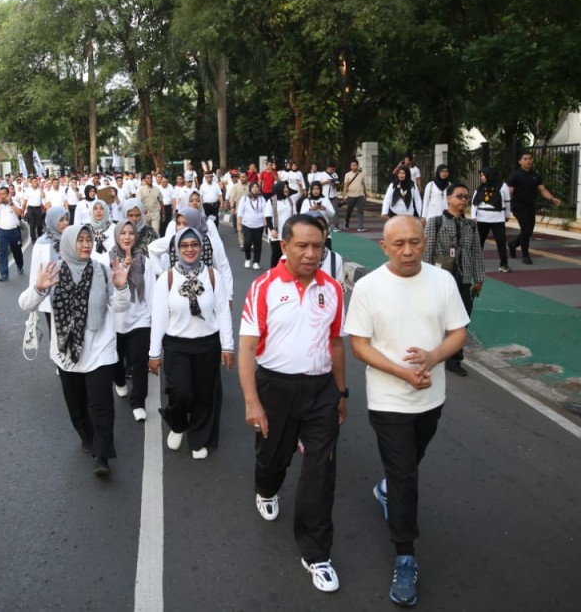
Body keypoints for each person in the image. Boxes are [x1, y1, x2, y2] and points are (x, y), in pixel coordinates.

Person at [344, 216, 469, 607]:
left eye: (415, 242)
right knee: (405, 476)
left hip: (431, 398)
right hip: (387, 400)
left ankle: (386, 490)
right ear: (384, 247)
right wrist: (401, 373)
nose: (408, 251)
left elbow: (458, 332)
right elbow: (359, 345)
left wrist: (431, 358)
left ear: (424, 242)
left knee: (411, 463)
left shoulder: (442, 281)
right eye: (399, 244)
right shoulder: (368, 287)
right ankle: (405, 555)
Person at [238, 213, 347, 593]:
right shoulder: (264, 287)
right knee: (272, 458)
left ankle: (316, 553)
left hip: (320, 391)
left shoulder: (332, 288)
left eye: (317, 246)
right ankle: (266, 488)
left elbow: (335, 343)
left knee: (321, 469)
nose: (310, 253)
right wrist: (252, 401)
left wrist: (341, 391)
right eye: (302, 245)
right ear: (284, 247)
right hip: (275, 388)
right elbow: (248, 348)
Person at [26, 225, 130, 476]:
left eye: (89, 239)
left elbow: (119, 307)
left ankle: (103, 454)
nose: (86, 244)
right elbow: (25, 304)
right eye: (80, 240)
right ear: (69, 243)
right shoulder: (54, 271)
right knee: (77, 406)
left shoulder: (102, 271)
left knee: (101, 404)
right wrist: (39, 289)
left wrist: (121, 287)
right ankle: (87, 436)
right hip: (66, 354)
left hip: (100, 351)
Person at [148, 228, 235, 460]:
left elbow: (224, 312)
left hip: (207, 344)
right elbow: (159, 318)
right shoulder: (167, 279)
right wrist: (154, 353)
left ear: (201, 247)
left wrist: (228, 346)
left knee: (204, 395)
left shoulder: (212, 275)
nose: (189, 249)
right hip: (177, 346)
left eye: (194, 244)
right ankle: (178, 424)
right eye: (184, 245)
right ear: (176, 249)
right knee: (181, 392)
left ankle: (198, 439)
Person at [424, 183, 486, 376]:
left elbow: (477, 252)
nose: (463, 200)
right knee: (438, 318)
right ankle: (434, 353)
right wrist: (424, 278)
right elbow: (427, 252)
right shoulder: (435, 223)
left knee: (462, 319)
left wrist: (479, 278)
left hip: (464, 279)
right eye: (459, 196)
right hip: (440, 279)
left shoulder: (471, 226)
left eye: (466, 197)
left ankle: (454, 358)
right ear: (448, 198)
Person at [110, 219, 157, 421]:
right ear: (117, 236)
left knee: (139, 364)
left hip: (140, 320)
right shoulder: (107, 261)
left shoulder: (145, 262)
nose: (127, 237)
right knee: (115, 361)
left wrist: (154, 323)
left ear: (136, 237)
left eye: (131, 233)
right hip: (115, 322)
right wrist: (123, 268)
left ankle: (138, 402)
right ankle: (119, 381)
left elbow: (152, 295)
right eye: (123, 233)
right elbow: (106, 295)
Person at [20, 206, 69, 336]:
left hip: (70, 296)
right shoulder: (41, 244)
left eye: (67, 219)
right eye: (61, 220)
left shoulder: (72, 239)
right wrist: (34, 300)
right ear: (52, 220)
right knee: (55, 335)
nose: (65, 223)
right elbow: (35, 273)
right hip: (49, 299)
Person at [506, 152, 562, 265]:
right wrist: (503, 203)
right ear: (520, 161)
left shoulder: (536, 175)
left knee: (528, 231)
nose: (528, 161)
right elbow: (509, 191)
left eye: (530, 158)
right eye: (525, 159)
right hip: (518, 207)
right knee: (526, 229)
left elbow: (542, 190)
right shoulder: (515, 176)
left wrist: (552, 198)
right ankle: (525, 255)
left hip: (530, 207)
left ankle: (513, 244)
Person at [472, 166, 512, 273]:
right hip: (482, 218)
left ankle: (504, 264)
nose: (482, 178)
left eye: (483, 175)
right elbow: (474, 203)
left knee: (501, 241)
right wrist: (473, 216)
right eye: (481, 176)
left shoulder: (502, 186)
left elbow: (507, 201)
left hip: (498, 218)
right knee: (479, 242)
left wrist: (507, 215)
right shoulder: (480, 188)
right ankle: (476, 264)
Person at [0, 186, 25, 282]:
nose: (2, 196)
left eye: (4, 194)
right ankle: (4, 274)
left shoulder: (15, 202)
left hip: (14, 231)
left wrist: (11, 203)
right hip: (2, 232)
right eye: (0, 194)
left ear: (8, 194)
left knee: (17, 251)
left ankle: (20, 265)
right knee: (2, 253)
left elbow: (19, 213)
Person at [265, 181, 297, 268]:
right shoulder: (271, 201)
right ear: (279, 189)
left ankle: (285, 274)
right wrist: (272, 229)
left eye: (287, 187)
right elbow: (268, 217)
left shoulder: (290, 200)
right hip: (276, 233)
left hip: (287, 232)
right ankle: (273, 274)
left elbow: (294, 216)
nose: (286, 189)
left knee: (287, 255)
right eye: (284, 187)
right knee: (276, 254)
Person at [237, 182, 266, 269]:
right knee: (247, 243)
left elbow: (265, 211)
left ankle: (256, 262)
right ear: (250, 189)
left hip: (259, 224)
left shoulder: (261, 199)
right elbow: (240, 211)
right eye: (253, 187)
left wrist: (265, 222)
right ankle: (248, 258)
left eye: (256, 187)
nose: (255, 188)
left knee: (258, 244)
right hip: (247, 224)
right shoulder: (244, 198)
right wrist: (239, 224)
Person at [341, 160, 367, 231]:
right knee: (349, 211)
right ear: (350, 166)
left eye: (354, 165)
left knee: (360, 211)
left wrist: (365, 193)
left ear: (357, 166)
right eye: (352, 165)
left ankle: (360, 226)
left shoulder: (361, 174)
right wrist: (344, 195)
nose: (353, 167)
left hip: (360, 195)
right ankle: (346, 223)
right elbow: (345, 185)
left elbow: (363, 184)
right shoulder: (347, 175)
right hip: (351, 195)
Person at [225, 172, 248, 251]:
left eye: (244, 177)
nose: (242, 178)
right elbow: (232, 197)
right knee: (240, 228)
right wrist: (232, 207)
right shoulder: (235, 186)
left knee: (249, 228)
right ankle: (242, 244)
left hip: (250, 211)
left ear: (247, 177)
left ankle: (249, 243)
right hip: (239, 211)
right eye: (241, 177)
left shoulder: (251, 185)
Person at [23, 176, 45, 242]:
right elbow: (25, 201)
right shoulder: (28, 190)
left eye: (36, 181)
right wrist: (23, 210)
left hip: (38, 208)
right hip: (30, 208)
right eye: (34, 181)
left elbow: (43, 196)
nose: (36, 182)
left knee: (40, 224)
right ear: (31, 183)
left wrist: (41, 188)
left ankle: (40, 234)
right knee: (32, 224)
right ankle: (33, 238)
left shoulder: (39, 190)